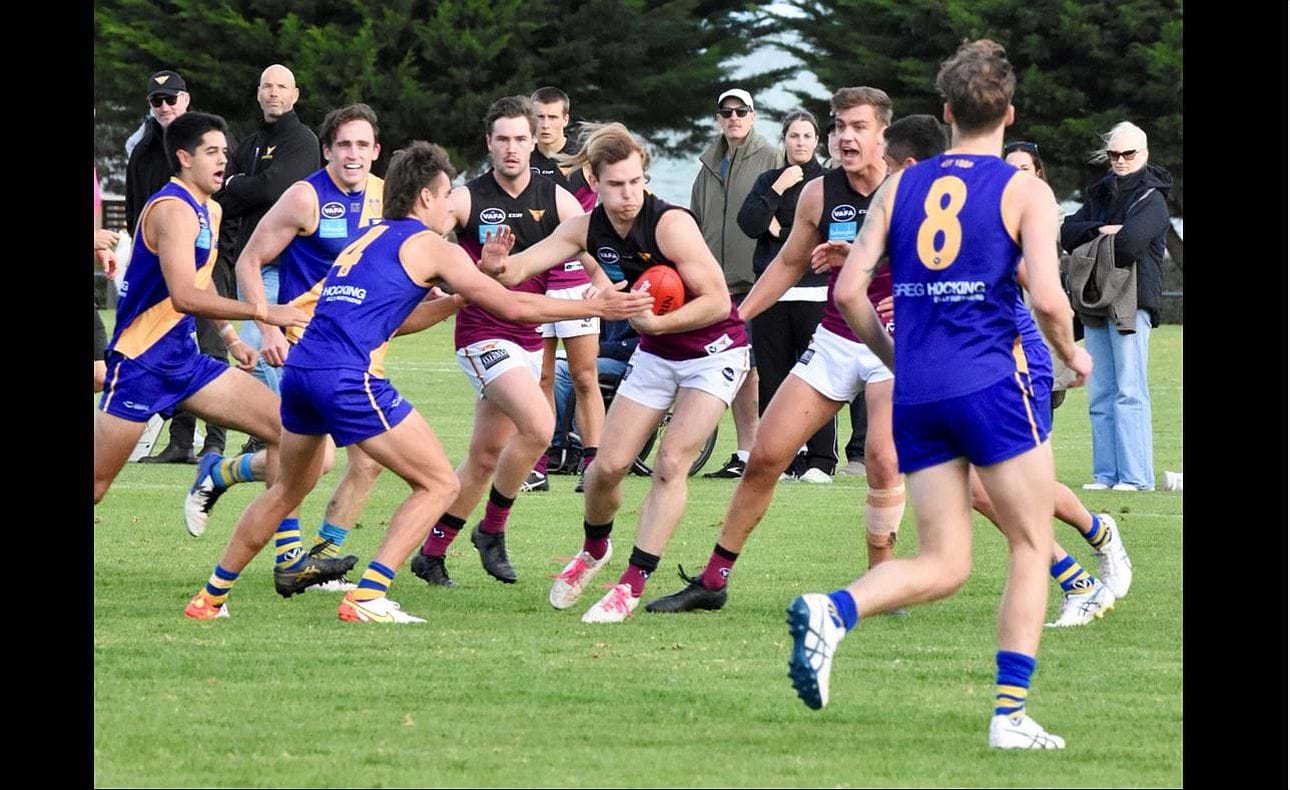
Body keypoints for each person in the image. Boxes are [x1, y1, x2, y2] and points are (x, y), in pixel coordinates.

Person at [182, 141, 651, 622]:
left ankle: (210, 598)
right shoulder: (428, 244)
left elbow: (396, 320)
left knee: (286, 491)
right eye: (447, 195)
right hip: (346, 377)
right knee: (438, 484)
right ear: (426, 197)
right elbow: (512, 306)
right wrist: (594, 307)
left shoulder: (370, 236)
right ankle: (368, 596)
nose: (452, 206)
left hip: (303, 373)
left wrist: (455, 301)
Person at [784, 41, 1092, 751]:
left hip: (918, 394)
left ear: (947, 112)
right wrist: (1072, 353)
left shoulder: (900, 186)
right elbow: (1046, 296)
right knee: (1029, 541)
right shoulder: (1025, 190)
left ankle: (834, 610)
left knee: (946, 563)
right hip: (990, 384)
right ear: (1008, 114)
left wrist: (897, 357)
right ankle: (1009, 716)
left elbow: (849, 291)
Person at [647, 87, 907, 618]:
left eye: (859, 126)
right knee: (765, 454)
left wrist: (855, 254)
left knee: (882, 459)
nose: (846, 137)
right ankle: (713, 581)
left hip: (894, 342)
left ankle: (882, 582)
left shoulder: (911, 191)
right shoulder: (818, 192)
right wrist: (732, 316)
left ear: (884, 132)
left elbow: (932, 266)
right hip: (836, 337)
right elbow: (787, 265)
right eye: (839, 126)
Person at [478, 122, 750, 623]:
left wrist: (655, 321)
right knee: (605, 469)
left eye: (635, 182)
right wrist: (495, 264)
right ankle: (594, 550)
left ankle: (632, 582)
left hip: (714, 352)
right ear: (594, 181)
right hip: (657, 355)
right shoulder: (584, 227)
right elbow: (517, 271)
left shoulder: (671, 224)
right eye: (616, 184)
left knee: (671, 462)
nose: (628, 195)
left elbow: (717, 301)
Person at [882, 125, 1133, 626]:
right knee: (992, 487)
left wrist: (1068, 350)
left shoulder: (1011, 214)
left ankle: (1089, 556)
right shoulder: (944, 206)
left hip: (1014, 361)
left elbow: (1035, 287)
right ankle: (1088, 559)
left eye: (1023, 172)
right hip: (963, 367)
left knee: (1010, 485)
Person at [183, 103, 387, 601]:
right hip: (301, 342)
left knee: (363, 461)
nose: (353, 155)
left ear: (376, 151)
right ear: (327, 150)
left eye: (363, 145)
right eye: (344, 145)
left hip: (362, 343)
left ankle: (316, 553)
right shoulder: (304, 196)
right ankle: (289, 558)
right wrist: (266, 322)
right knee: (305, 456)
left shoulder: (387, 197)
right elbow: (251, 258)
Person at [407, 96, 610, 589]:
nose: (513, 148)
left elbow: (591, 246)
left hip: (527, 336)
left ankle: (431, 553)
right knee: (539, 426)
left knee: (483, 457)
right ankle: (492, 530)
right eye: (503, 139)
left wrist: (609, 286)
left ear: (534, 140)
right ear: (489, 143)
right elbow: (419, 232)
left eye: (521, 138)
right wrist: (434, 273)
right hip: (482, 336)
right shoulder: (466, 198)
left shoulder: (557, 196)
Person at [94, 112, 311, 533]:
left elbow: (202, 279)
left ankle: (286, 552)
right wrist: (262, 311)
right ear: (184, 158)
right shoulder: (171, 209)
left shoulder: (208, 210)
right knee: (98, 485)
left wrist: (231, 339)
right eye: (211, 152)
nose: (223, 161)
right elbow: (184, 295)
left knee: (286, 427)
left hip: (186, 363)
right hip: (142, 365)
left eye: (225, 152)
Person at [125, 69, 231, 464]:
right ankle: (181, 442)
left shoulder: (208, 140)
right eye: (157, 101)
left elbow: (225, 202)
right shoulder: (142, 151)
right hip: (158, 273)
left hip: (206, 257)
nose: (165, 106)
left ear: (185, 99)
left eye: (171, 98)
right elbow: (135, 211)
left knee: (211, 347)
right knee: (166, 350)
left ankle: (215, 445)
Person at [1061, 121, 1171, 492]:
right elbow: (1066, 232)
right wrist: (1101, 230)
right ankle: (1106, 474)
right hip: (1094, 299)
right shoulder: (1100, 192)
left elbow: (1130, 245)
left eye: (1128, 154)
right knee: (1101, 391)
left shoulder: (1153, 198)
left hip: (1133, 301)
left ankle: (1137, 477)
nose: (1120, 161)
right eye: (1114, 154)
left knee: (1129, 388)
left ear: (1144, 154)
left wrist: (1097, 232)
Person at [736, 110, 833, 482]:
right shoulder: (769, 179)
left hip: (815, 291)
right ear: (784, 140)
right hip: (771, 294)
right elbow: (749, 224)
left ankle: (821, 460)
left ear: (816, 142)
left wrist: (781, 228)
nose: (801, 142)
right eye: (794, 136)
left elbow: (823, 230)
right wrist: (777, 190)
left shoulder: (827, 182)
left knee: (818, 376)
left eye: (808, 136)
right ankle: (782, 459)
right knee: (774, 378)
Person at [217, 64, 321, 410]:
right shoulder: (251, 143)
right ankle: (270, 432)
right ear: (259, 93)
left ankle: (292, 428)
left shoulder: (303, 141)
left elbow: (274, 189)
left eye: (281, 86)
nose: (273, 92)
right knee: (254, 358)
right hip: (250, 265)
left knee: (262, 347)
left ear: (295, 94)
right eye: (267, 86)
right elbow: (221, 197)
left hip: (283, 266)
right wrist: (245, 187)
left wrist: (238, 183)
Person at [690, 88, 782, 479]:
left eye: (741, 111)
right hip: (716, 283)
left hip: (759, 278)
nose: (733, 117)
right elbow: (693, 223)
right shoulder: (708, 164)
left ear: (753, 115)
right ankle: (746, 452)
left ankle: (764, 451)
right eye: (726, 112)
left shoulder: (771, 158)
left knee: (756, 368)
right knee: (737, 366)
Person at [524, 86, 603, 494]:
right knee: (539, 376)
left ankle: (594, 466)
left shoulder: (581, 163)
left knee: (585, 376)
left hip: (577, 284)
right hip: (536, 287)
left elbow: (596, 223)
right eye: (539, 116)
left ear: (566, 120)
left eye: (553, 117)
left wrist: (600, 276)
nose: (545, 125)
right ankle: (537, 466)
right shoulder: (521, 160)